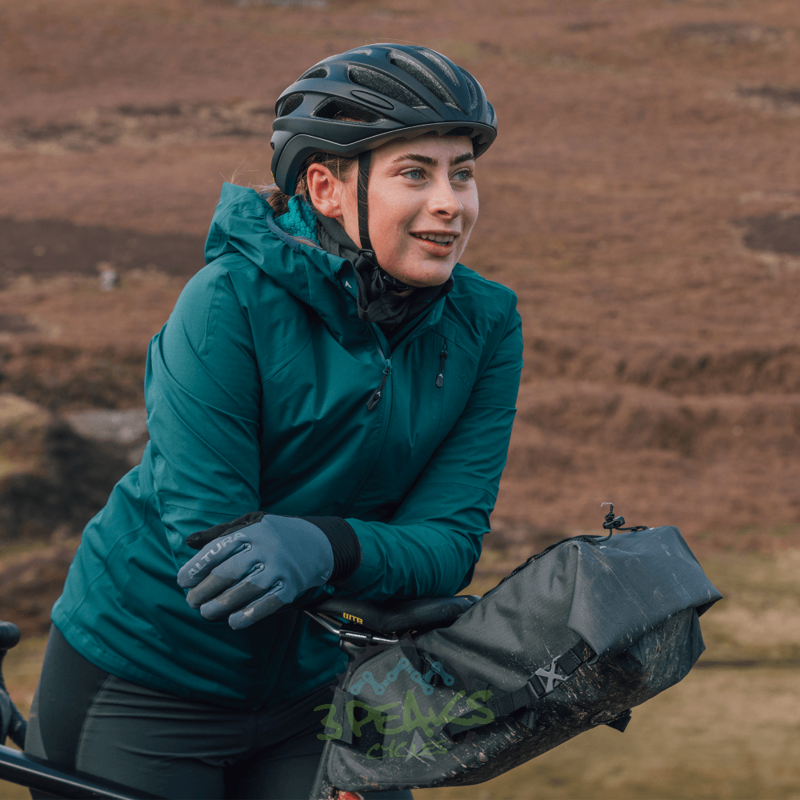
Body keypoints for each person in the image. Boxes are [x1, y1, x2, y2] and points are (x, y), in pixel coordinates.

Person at [23, 43, 523, 800]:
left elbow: (450, 543)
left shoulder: (487, 322)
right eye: (415, 173)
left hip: (327, 691)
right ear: (326, 188)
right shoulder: (227, 300)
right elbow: (216, 547)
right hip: (146, 679)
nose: (451, 202)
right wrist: (374, 559)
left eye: (462, 172)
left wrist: (324, 546)